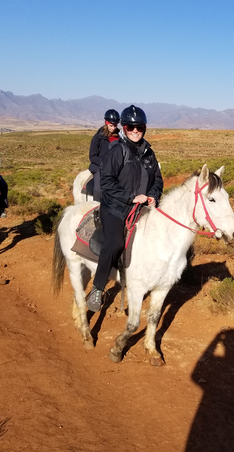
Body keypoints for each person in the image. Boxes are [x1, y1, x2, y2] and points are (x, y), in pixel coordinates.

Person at [86, 105, 163, 312]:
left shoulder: (149, 153)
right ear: (124, 128)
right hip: (116, 208)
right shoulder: (117, 151)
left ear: (144, 128)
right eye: (130, 127)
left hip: (142, 207)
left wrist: (153, 195)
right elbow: (107, 183)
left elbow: (157, 179)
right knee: (114, 243)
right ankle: (97, 289)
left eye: (139, 127)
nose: (135, 131)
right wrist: (131, 197)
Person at [88, 109, 120, 201]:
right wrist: (105, 164)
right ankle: (97, 209)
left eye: (115, 125)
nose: (113, 127)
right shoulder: (98, 137)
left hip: (115, 166)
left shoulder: (120, 137)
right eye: (111, 125)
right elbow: (92, 156)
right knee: (99, 189)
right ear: (106, 123)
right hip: (99, 167)